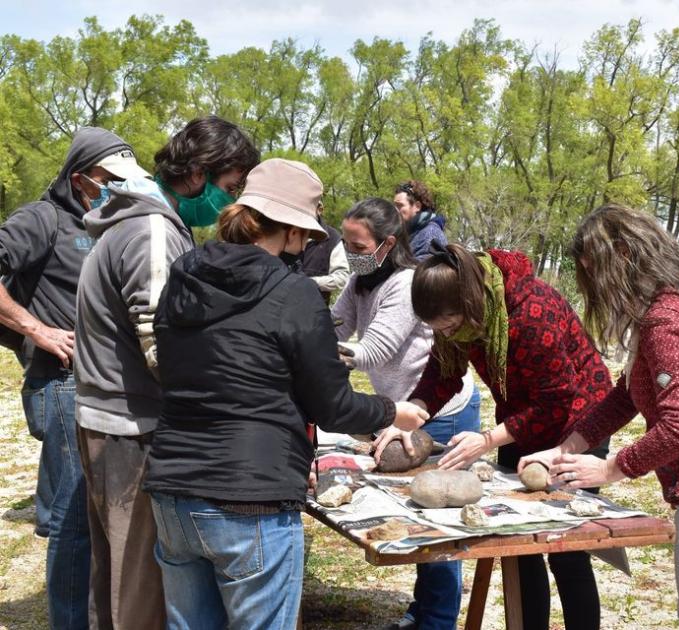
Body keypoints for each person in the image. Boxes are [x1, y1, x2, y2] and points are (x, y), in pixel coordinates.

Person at [142, 159, 429, 630]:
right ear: (294, 231)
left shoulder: (183, 274)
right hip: (250, 497)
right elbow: (332, 406)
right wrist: (391, 411)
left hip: (174, 489)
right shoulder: (292, 293)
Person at [521, 205, 679, 630]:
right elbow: (628, 395)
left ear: (622, 255)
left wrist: (611, 468)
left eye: (592, 271)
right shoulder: (669, 304)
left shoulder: (664, 319)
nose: (594, 286)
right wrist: (566, 448)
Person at [73, 115, 259, 630]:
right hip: (132, 426)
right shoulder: (153, 230)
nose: (230, 201)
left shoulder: (136, 220)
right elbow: (162, 345)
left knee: (115, 574)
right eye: (229, 187)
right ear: (198, 173)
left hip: (109, 417)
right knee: (140, 584)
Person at [376, 242, 613, 630]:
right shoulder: (458, 313)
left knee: (565, 547)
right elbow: (441, 376)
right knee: (519, 547)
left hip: (577, 423)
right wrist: (406, 417)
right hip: (522, 419)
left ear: (470, 301)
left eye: (450, 325)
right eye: (440, 329)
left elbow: (557, 398)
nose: (448, 334)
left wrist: (487, 439)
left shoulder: (531, 311)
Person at [0, 128, 146, 629]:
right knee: (74, 517)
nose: (117, 188)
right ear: (80, 177)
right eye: (108, 180)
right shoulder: (41, 219)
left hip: (104, 383)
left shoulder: (110, 220)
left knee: (96, 515)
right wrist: (35, 328)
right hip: (63, 384)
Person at [331, 198, 480, 630]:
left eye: (357, 245)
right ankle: (423, 613)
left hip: (441, 410)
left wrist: (311, 353)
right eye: (345, 242)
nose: (349, 252)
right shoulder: (359, 283)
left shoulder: (404, 283)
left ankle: (437, 622)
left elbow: (373, 349)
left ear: (386, 243)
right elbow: (334, 327)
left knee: (438, 525)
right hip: (401, 409)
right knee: (416, 518)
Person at [299, 199, 349, 304]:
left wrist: (311, 282)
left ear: (319, 210)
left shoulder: (332, 238)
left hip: (314, 308)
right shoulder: (289, 231)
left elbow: (342, 277)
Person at [393, 180, 447, 260]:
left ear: (417, 206)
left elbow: (420, 272)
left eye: (400, 205)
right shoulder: (407, 233)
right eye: (394, 205)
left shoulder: (431, 235)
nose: (395, 210)